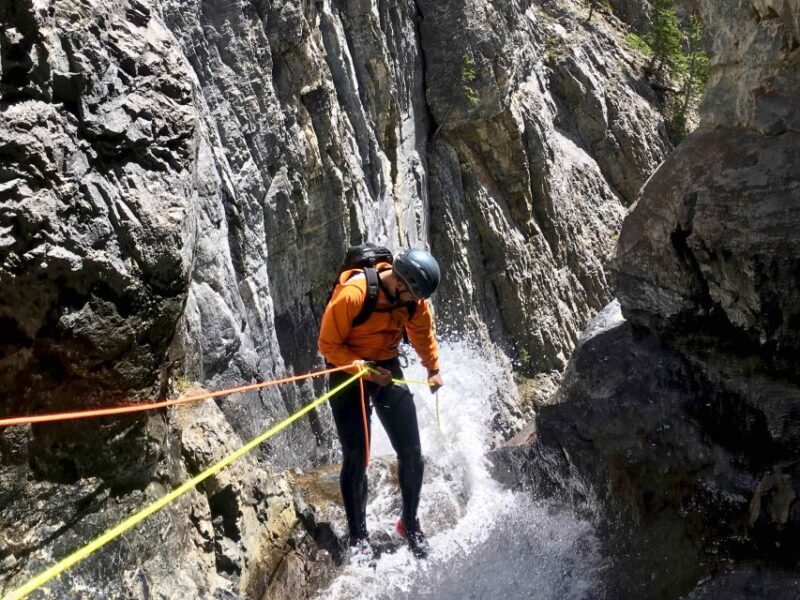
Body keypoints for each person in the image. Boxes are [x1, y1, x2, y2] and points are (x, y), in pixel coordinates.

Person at [318, 248, 444, 564]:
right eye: (411, 295)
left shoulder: (412, 300)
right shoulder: (354, 293)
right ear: (400, 283)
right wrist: (363, 369)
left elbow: (421, 332)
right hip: (347, 369)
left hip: (386, 365)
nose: (414, 302)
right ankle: (358, 536)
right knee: (357, 455)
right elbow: (328, 345)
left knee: (412, 452)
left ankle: (409, 523)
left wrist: (432, 368)